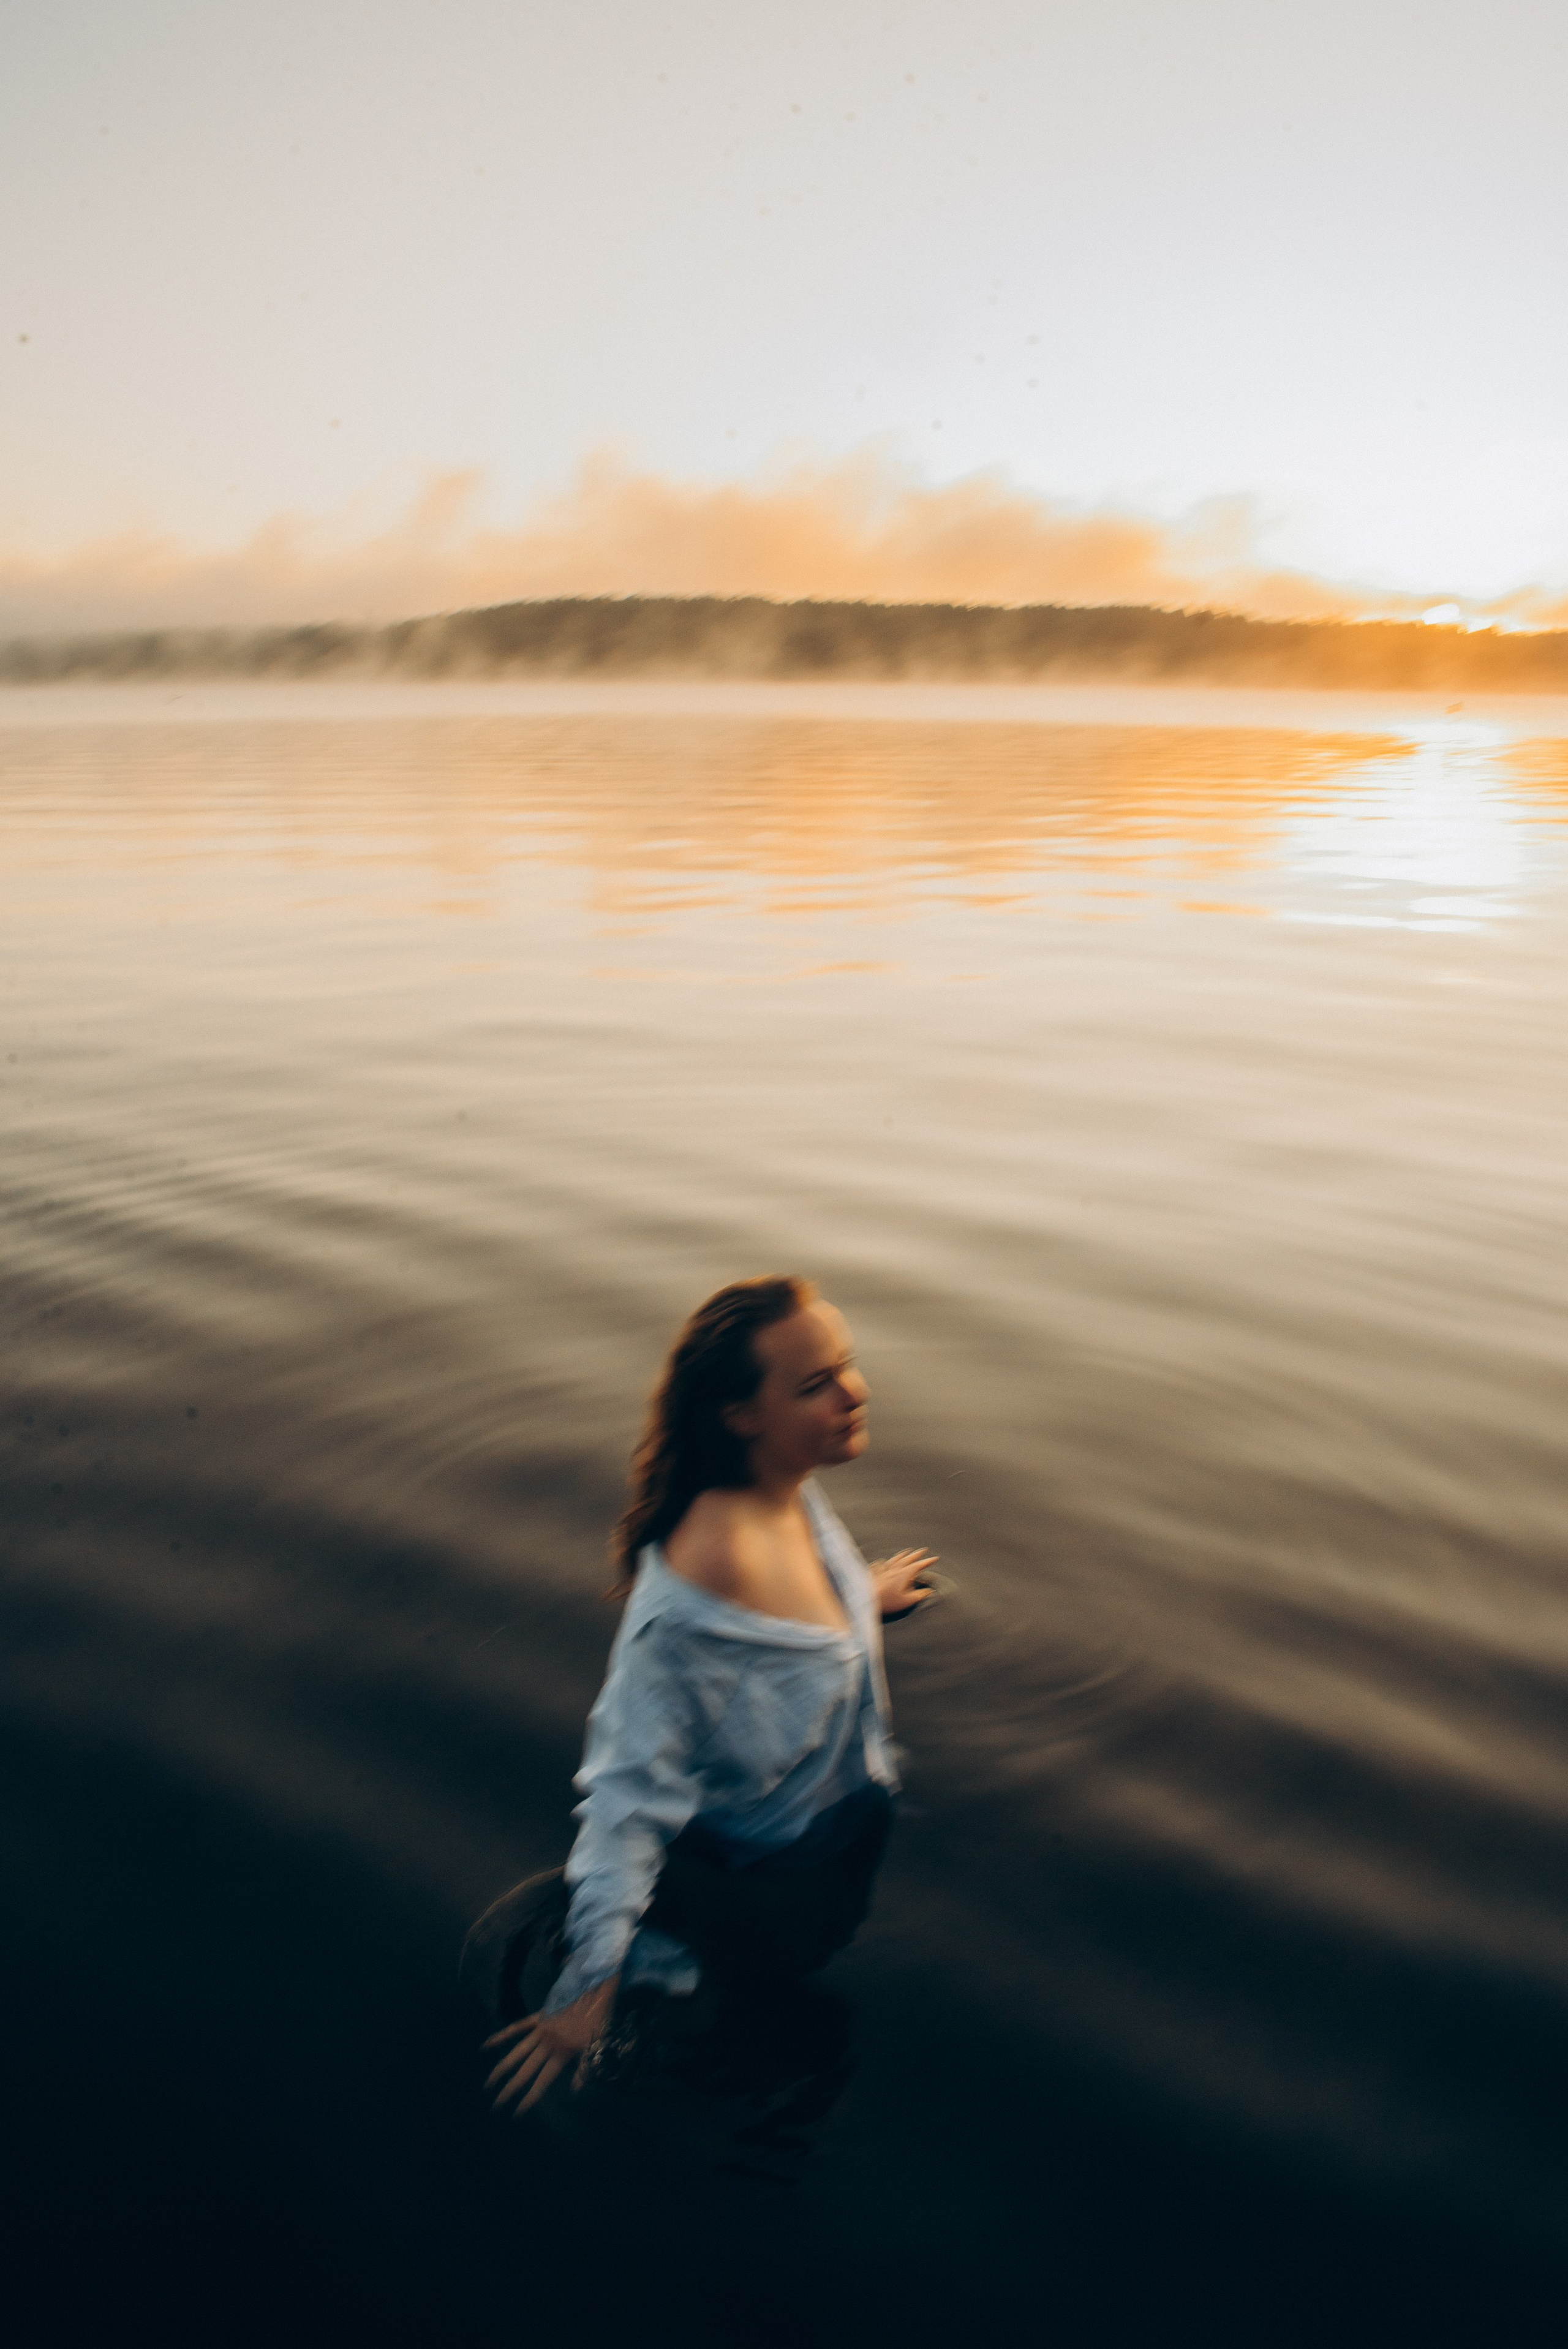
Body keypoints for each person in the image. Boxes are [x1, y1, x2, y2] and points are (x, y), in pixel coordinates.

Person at [475, 1273, 936, 2120]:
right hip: (767, 1871)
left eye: (848, 1366)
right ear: (741, 1416)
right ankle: (670, 1982)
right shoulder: (691, 1603)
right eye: (815, 1385)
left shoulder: (788, 1490)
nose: (854, 1392)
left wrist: (858, 1600)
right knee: (783, 2044)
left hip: (842, 1829)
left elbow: (790, 1635)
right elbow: (625, 1797)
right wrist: (586, 1987)